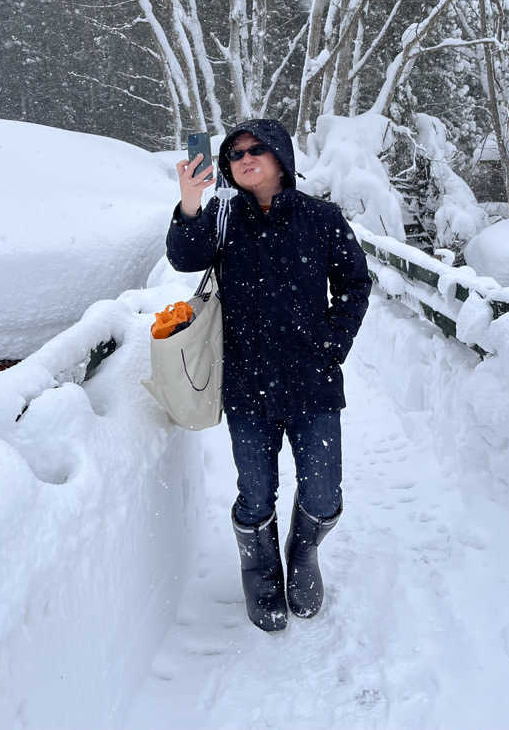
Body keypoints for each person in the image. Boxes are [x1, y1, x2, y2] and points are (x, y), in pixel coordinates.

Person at [166, 119, 371, 632]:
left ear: (281, 157)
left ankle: (303, 554)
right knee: (255, 491)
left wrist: (332, 344)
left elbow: (354, 283)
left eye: (257, 149)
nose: (245, 158)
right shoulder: (223, 218)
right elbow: (183, 257)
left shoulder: (321, 218)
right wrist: (191, 202)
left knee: (323, 491)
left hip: (312, 382)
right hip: (247, 382)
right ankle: (259, 566)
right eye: (235, 154)